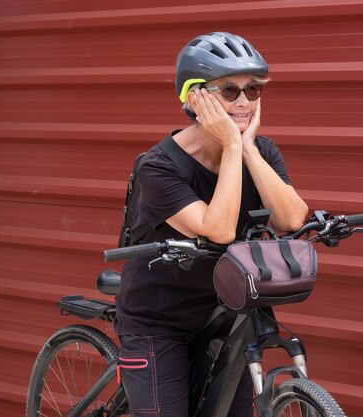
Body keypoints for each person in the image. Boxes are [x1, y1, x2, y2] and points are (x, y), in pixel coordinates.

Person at [115, 32, 309, 417]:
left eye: (253, 90)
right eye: (229, 91)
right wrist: (234, 145)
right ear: (193, 97)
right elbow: (216, 229)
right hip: (159, 322)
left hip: (226, 315)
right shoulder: (158, 166)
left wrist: (248, 148)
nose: (243, 102)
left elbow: (291, 218)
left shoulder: (263, 151)